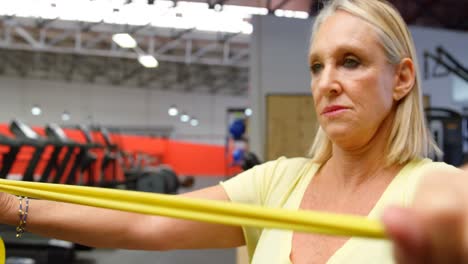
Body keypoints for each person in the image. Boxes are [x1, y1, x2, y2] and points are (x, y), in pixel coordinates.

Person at [1, 0, 468, 263]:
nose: (326, 83)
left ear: (402, 79)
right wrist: (12, 209)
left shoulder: (437, 192)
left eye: (351, 62)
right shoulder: (277, 183)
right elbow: (143, 220)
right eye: (316, 66)